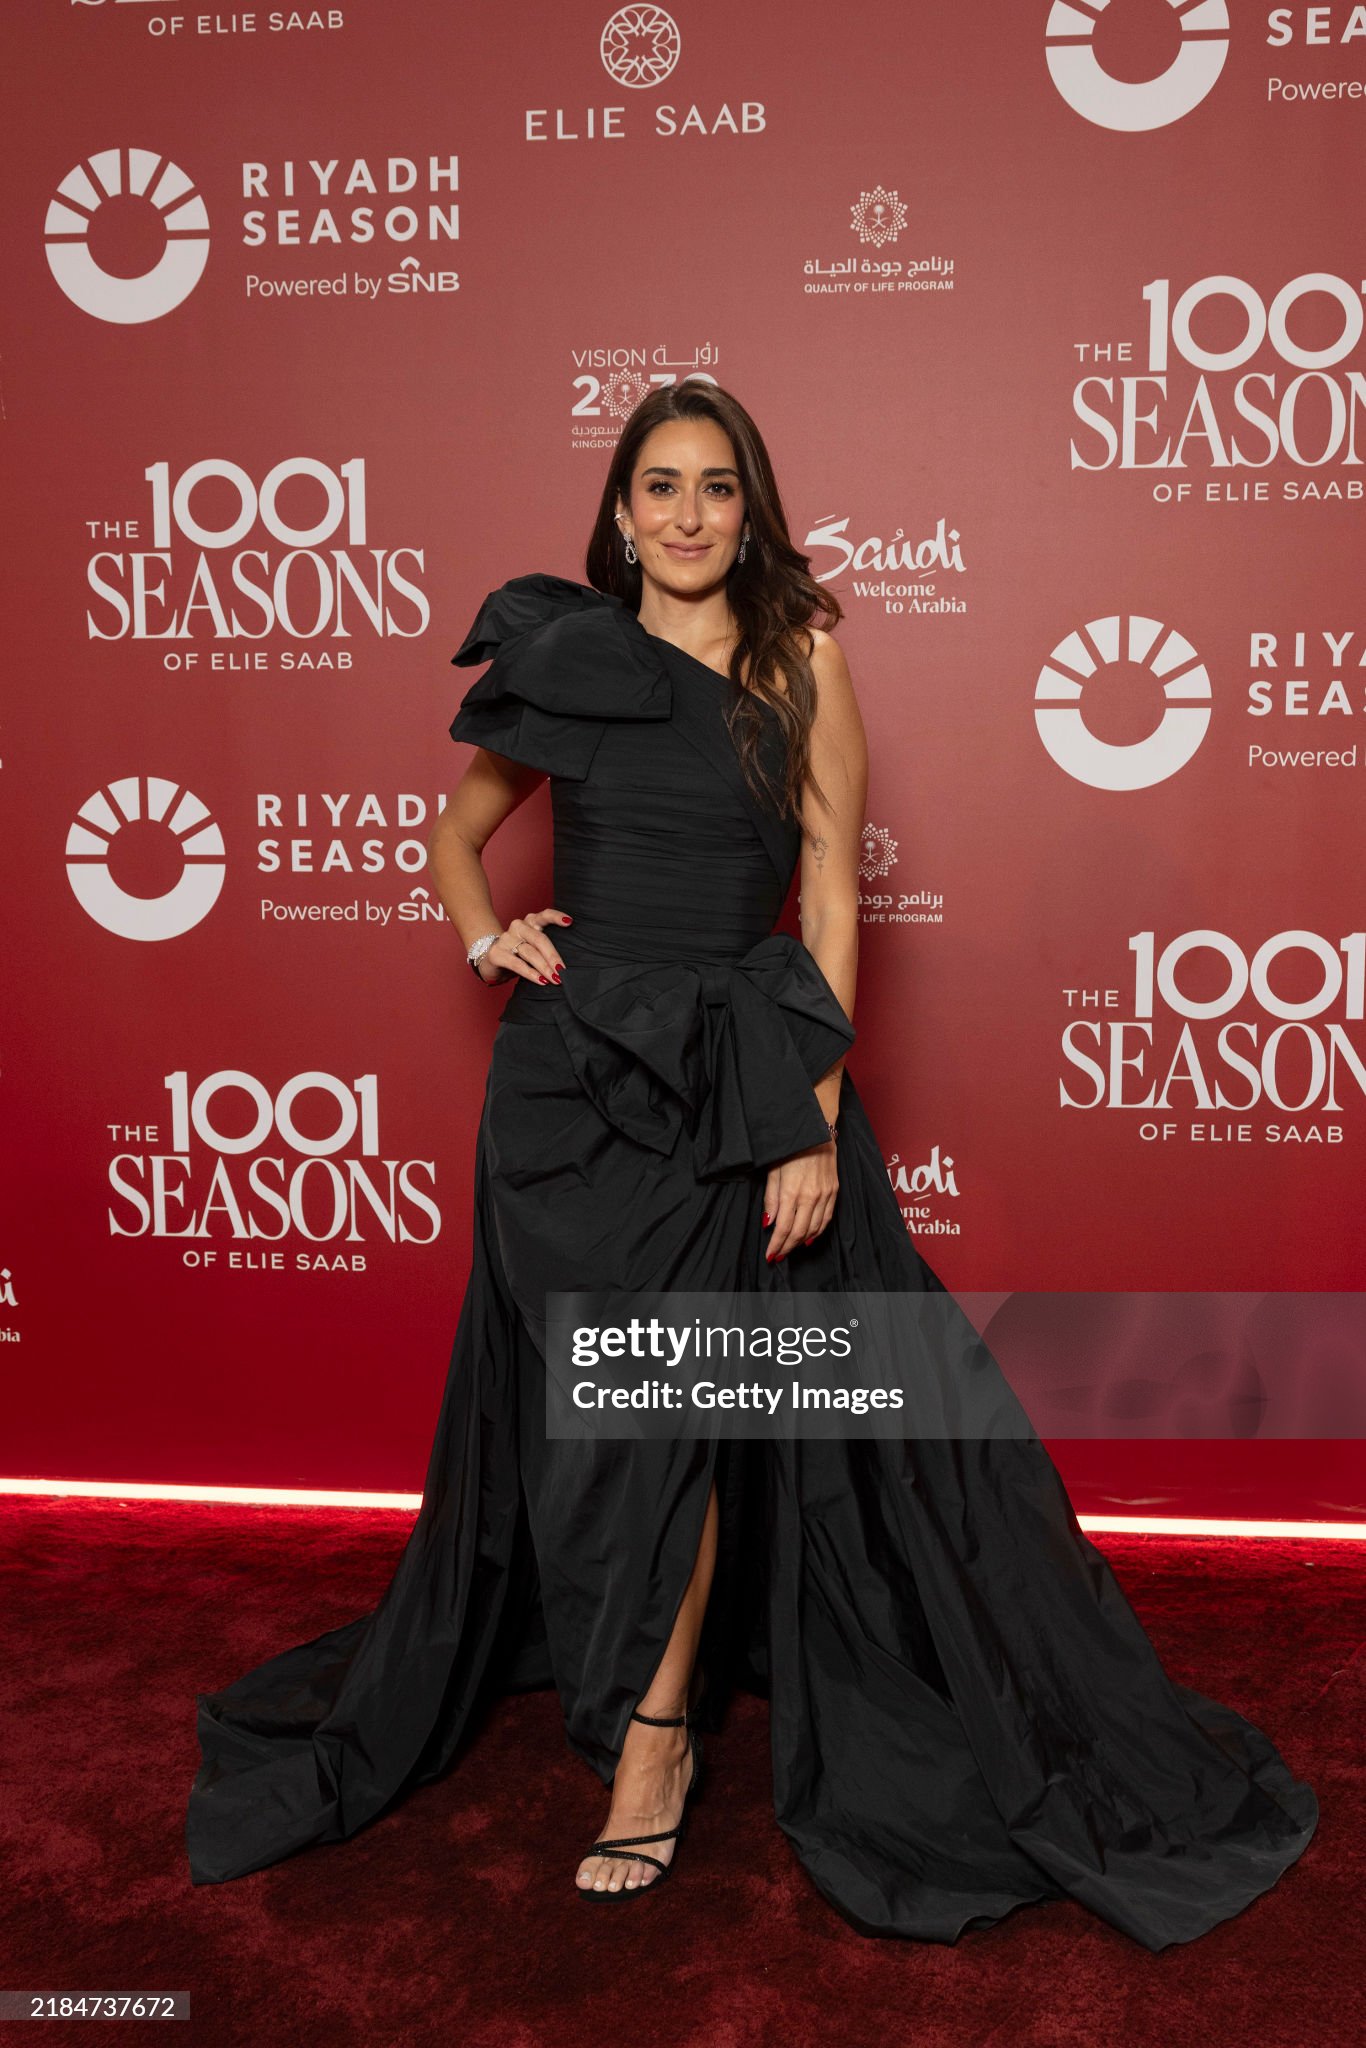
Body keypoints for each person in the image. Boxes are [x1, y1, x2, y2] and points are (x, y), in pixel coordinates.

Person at [186, 381, 1317, 1944]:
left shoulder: (801, 656)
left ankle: (653, 1749)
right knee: (593, 1423)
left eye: (715, 486)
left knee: (676, 1406)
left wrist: (810, 1113)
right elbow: (455, 837)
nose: (686, 514)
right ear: (620, 508)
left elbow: (832, 894)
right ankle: (636, 1685)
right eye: (658, 485)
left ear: (750, 507)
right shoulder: (567, 653)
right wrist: (485, 934)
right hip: (567, 1088)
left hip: (731, 1083)